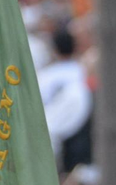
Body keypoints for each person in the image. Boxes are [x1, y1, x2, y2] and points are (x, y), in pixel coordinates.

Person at [38, 26, 92, 160]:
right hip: (81, 131)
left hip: (56, 132)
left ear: (54, 50)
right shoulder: (83, 71)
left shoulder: (45, 76)